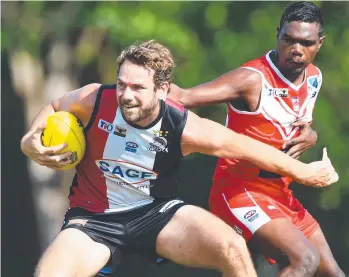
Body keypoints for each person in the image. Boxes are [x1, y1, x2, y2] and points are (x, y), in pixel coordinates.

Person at [21, 40, 337, 277]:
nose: (126, 95)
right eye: (121, 84)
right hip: (93, 220)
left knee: (232, 247)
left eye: (137, 87)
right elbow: (54, 107)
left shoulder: (182, 126)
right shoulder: (94, 99)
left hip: (157, 215)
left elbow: (245, 147)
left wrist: (304, 172)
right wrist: (29, 142)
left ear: (163, 90)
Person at [168, 2, 344, 277]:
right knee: (304, 259)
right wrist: (132, 86)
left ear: (319, 44)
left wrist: (312, 135)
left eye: (305, 43)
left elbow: (298, 121)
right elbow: (183, 97)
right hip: (239, 191)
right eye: (288, 39)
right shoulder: (252, 79)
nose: (296, 49)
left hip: (280, 194)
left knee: (331, 272)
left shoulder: (313, 78)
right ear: (278, 34)